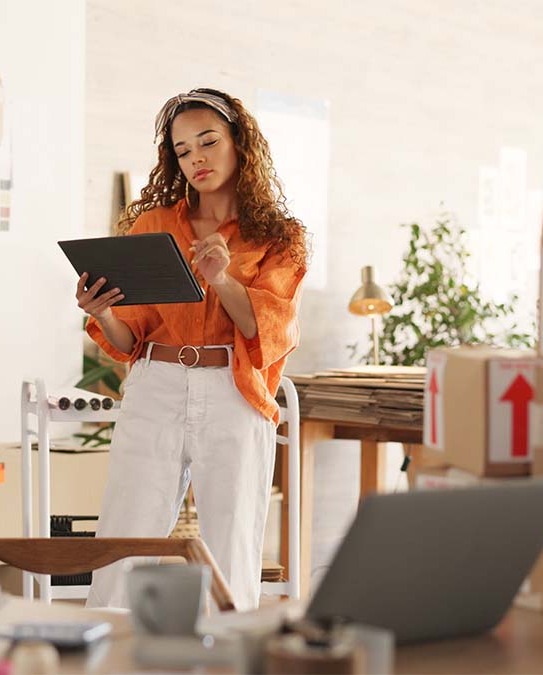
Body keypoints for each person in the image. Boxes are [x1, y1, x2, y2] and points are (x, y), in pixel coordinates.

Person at [80, 88, 308, 611]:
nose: (197, 159)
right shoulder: (153, 227)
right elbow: (128, 339)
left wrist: (223, 279)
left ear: (239, 142)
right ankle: (107, 659)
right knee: (125, 534)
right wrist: (103, 313)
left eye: (208, 141)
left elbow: (272, 328)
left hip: (234, 390)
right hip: (155, 384)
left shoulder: (279, 237)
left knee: (231, 542)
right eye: (183, 151)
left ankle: (226, 659)